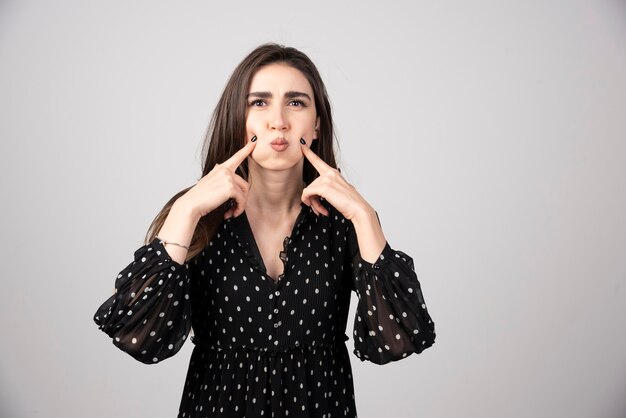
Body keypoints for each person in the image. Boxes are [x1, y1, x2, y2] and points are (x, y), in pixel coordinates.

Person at [94, 43, 436, 418]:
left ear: (317, 123)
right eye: (259, 103)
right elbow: (138, 337)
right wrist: (187, 208)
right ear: (237, 118)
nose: (279, 121)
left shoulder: (345, 222)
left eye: (296, 103)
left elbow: (398, 339)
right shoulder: (196, 215)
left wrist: (365, 215)